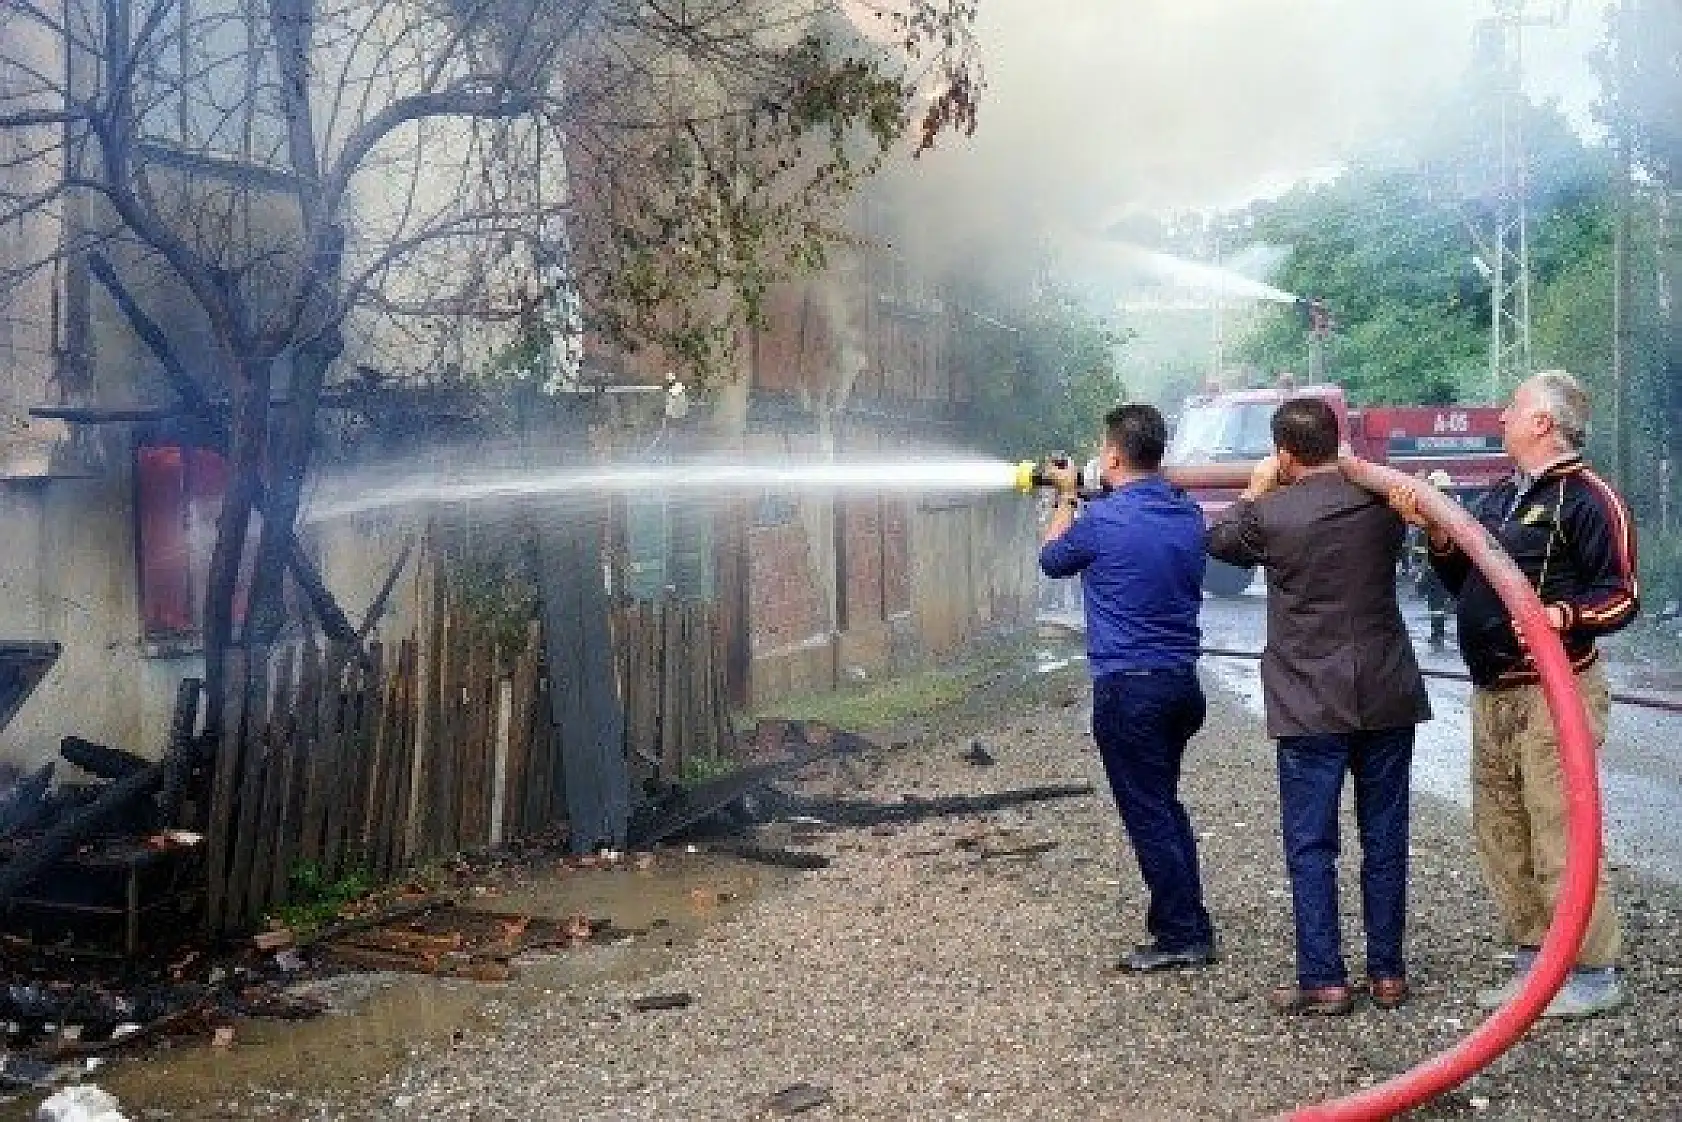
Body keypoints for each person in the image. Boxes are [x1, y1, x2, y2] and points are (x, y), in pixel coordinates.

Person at [1391, 370, 1638, 1018]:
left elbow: (1622, 596)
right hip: (1493, 692)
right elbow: (1462, 575)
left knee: (1562, 829)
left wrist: (1559, 618)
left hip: (1556, 697)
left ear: (1544, 423)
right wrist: (1440, 536)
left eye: (1515, 407)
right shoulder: (1503, 494)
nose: (1501, 415)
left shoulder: (1589, 499)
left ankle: (1590, 972)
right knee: (1502, 830)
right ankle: (1536, 964)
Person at [1207, 397, 1430, 1015]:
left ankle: (1323, 978)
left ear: (1283, 452)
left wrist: (1254, 490)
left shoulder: (1270, 516)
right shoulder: (1382, 503)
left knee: (1311, 843)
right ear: (1339, 443)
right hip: (1386, 691)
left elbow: (1219, 542)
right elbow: (1422, 509)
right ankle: (1388, 973)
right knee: (1385, 836)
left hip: (1309, 699)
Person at [1039, 403, 1216, 973]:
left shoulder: (1101, 521)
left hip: (1129, 690)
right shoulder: (1186, 512)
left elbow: (1052, 559)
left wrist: (1066, 495)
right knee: (1164, 805)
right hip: (1181, 687)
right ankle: (1190, 920)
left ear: (1113, 455)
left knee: (1150, 814)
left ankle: (1181, 936)